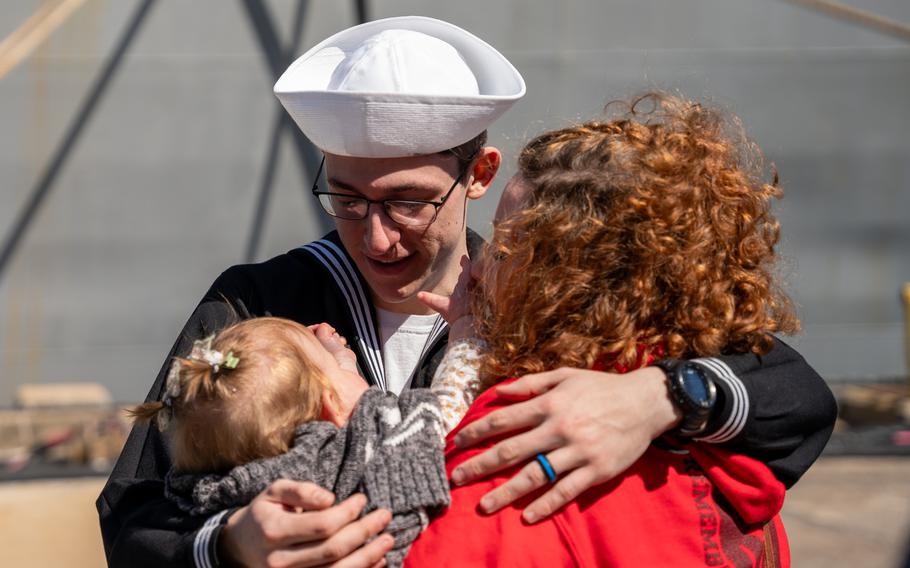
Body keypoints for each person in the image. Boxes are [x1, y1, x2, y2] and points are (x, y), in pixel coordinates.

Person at [97, 16, 836, 568]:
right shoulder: (260, 303)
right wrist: (231, 545)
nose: (376, 237)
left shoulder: (547, 305)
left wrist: (656, 396)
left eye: (408, 203)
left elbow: (796, 396)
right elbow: (134, 510)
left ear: (480, 175)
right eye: (347, 200)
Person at [407, 93, 801, 566]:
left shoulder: (515, 455)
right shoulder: (735, 449)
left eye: (505, 250)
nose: (475, 270)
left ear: (563, 285)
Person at [129, 317, 448, 568]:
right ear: (330, 408)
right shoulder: (346, 462)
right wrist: (463, 333)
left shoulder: (204, 489)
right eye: (333, 367)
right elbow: (411, 426)